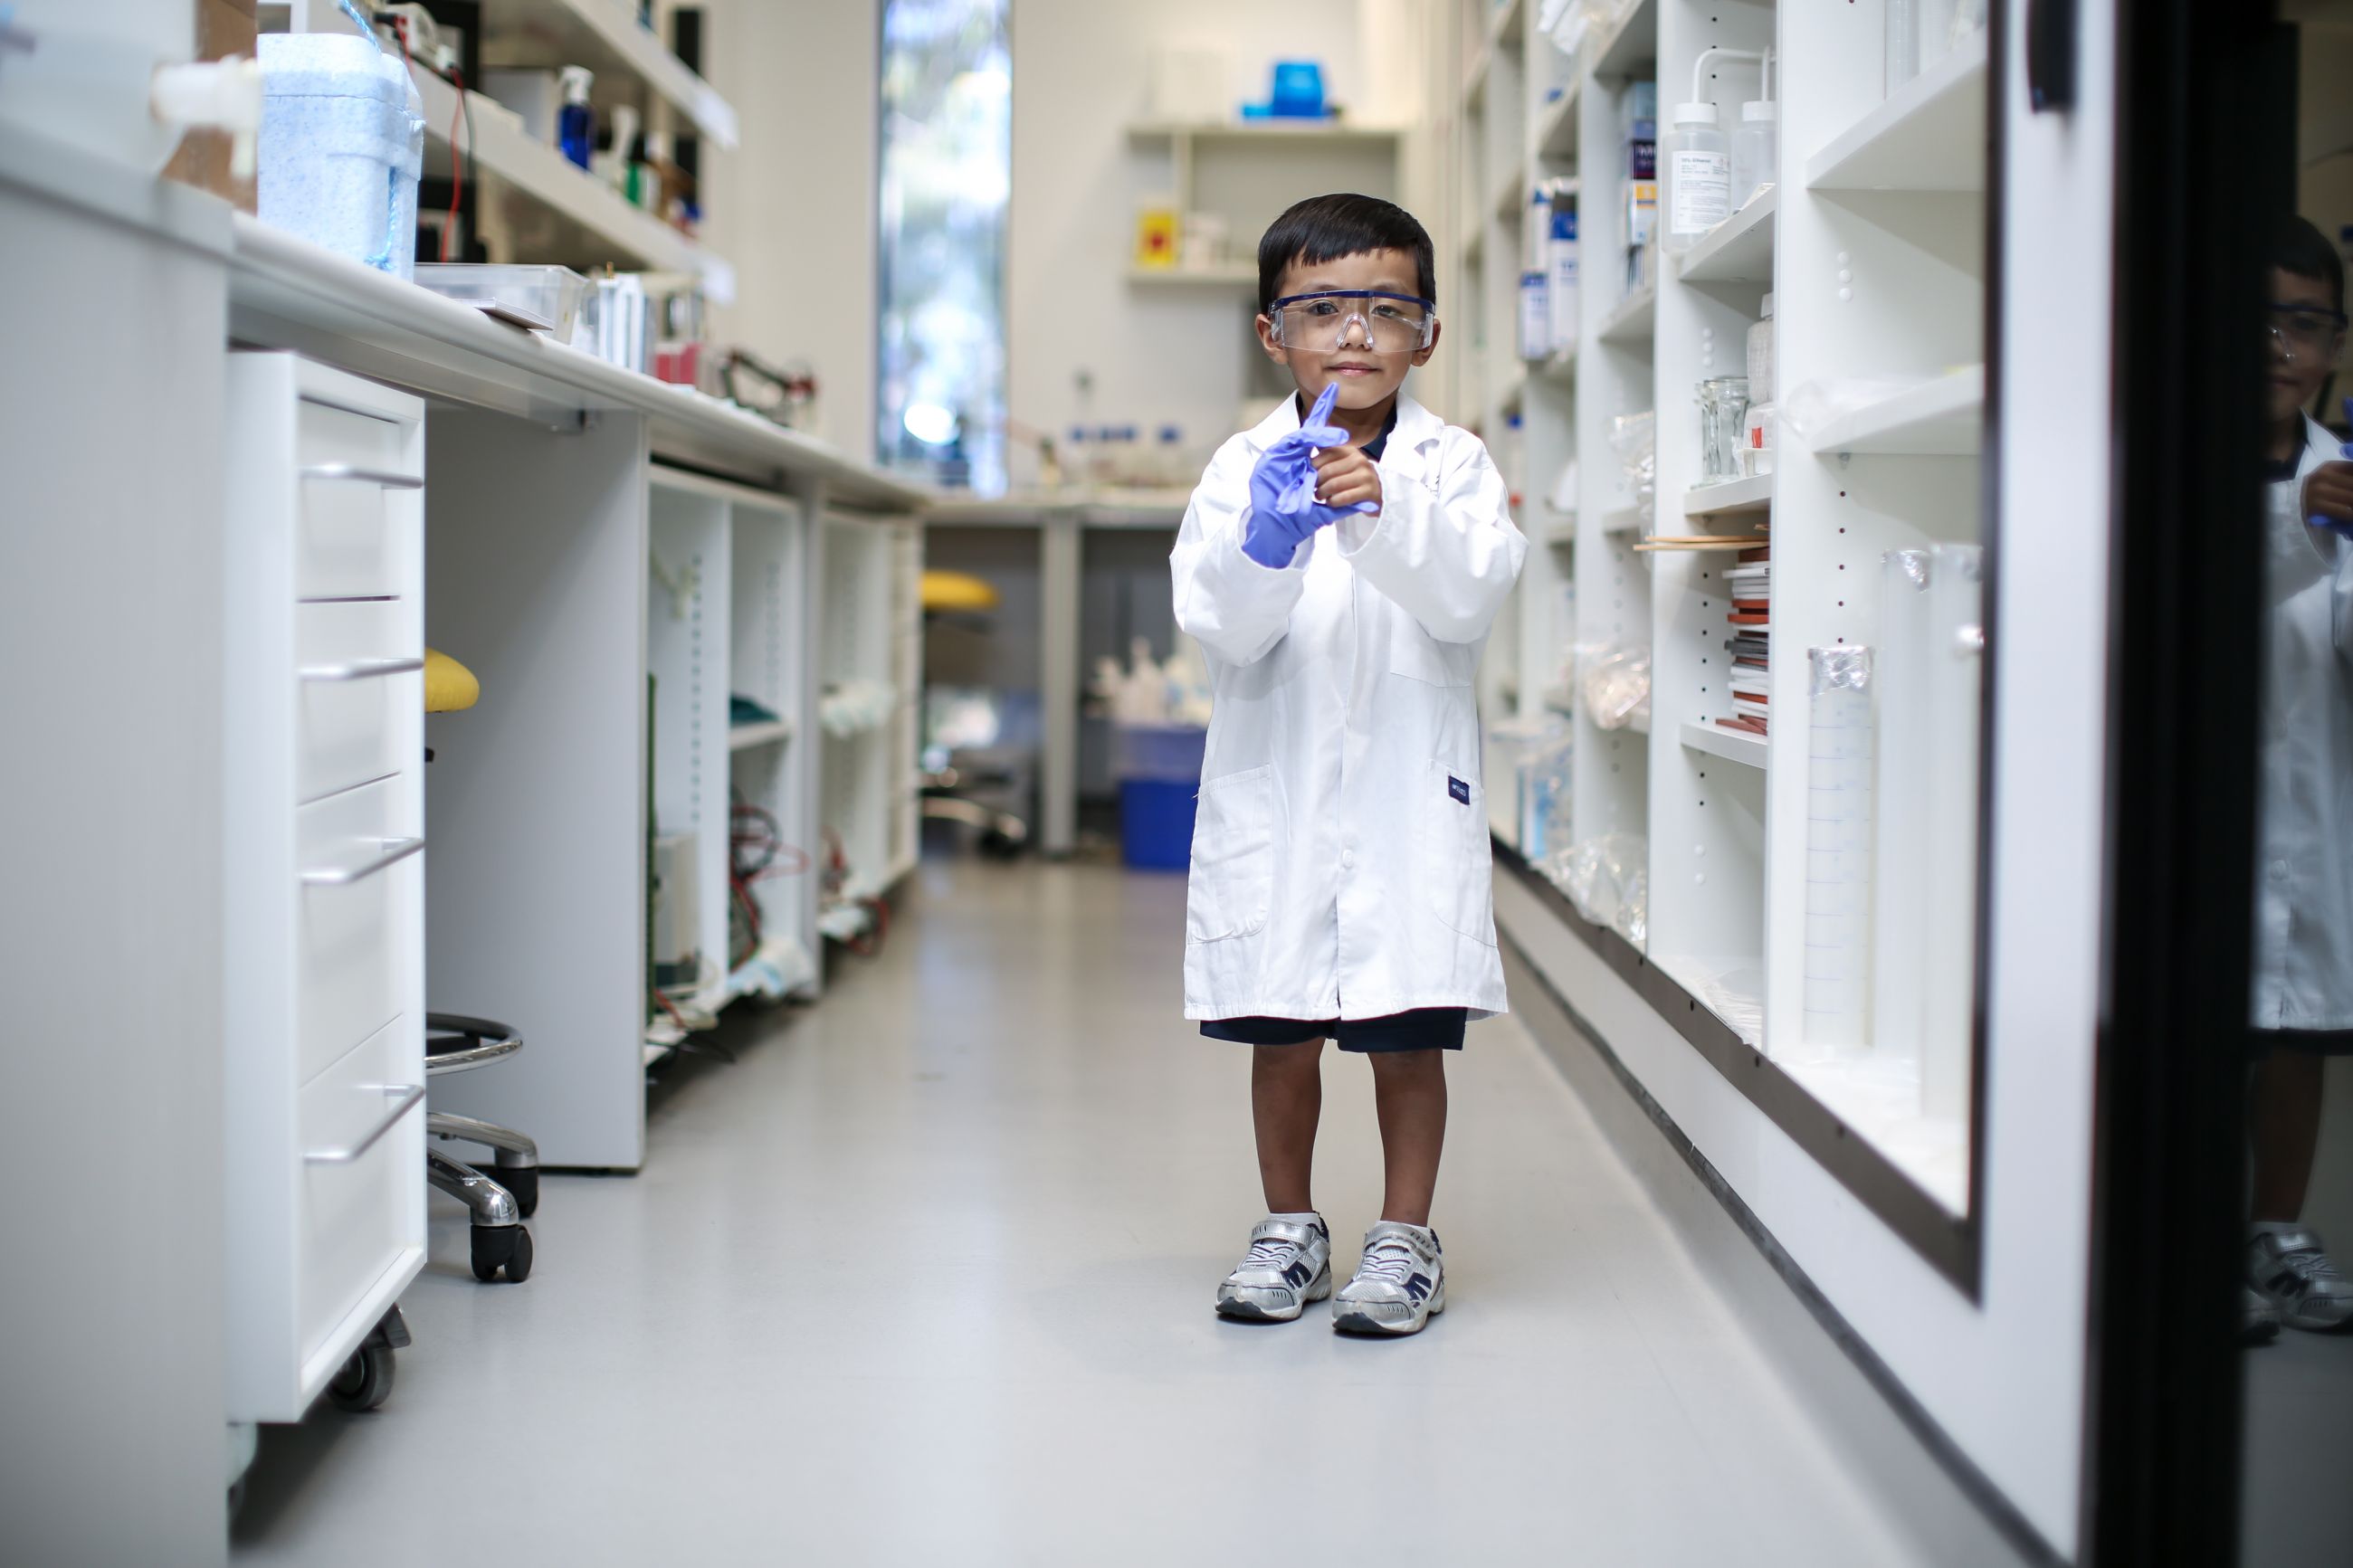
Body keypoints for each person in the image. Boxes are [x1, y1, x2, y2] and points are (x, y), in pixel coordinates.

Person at [1168, 193, 1527, 1336]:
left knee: (1405, 1029)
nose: (1355, 334)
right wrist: (1263, 544)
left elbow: (1471, 594)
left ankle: (1403, 1236)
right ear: (1272, 331)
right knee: (1281, 1027)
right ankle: (1289, 1227)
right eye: (1322, 308)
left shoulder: (1450, 462)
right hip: (1277, 788)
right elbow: (1218, 621)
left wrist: (1385, 514)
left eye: (1385, 307)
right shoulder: (1239, 464)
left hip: (1403, 797)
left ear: (1425, 331)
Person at [2245, 214, 2353, 1338]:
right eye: (2257, 319)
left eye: (2305, 322)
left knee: (2299, 1026)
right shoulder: (2162, 461)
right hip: (2197, 812)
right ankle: (2176, 1247)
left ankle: (2272, 1234)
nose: (2279, 343)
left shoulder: (2342, 474)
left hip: (2315, 804)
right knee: (2193, 1024)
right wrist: (2295, 536)